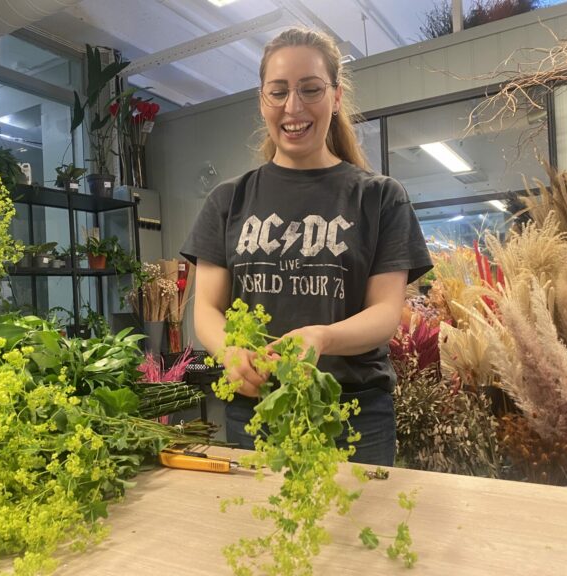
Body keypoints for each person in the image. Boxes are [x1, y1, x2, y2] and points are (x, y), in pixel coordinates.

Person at [180, 28, 432, 465]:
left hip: (354, 416)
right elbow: (205, 309)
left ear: (335, 97)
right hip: (256, 410)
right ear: (262, 101)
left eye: (310, 89)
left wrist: (324, 337)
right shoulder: (228, 200)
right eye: (278, 92)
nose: (293, 107)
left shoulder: (379, 197)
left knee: (359, 533)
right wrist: (230, 352)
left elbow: (385, 314)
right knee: (262, 533)